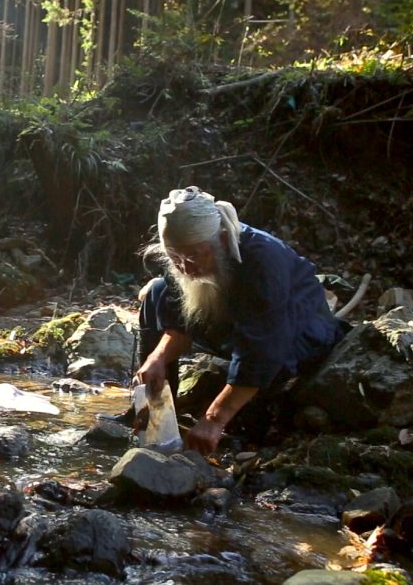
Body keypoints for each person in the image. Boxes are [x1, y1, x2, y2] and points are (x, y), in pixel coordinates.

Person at [106, 187, 348, 455]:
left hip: (297, 333)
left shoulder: (262, 259)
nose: (185, 268)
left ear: (221, 240)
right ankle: (155, 416)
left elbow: (262, 346)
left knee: (265, 365)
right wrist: (158, 357)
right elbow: (178, 321)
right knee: (157, 292)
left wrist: (214, 419)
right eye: (175, 259)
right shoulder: (184, 252)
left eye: (193, 257)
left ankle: (249, 424)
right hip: (235, 326)